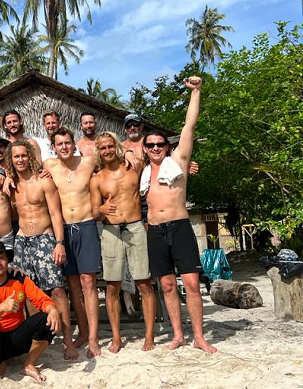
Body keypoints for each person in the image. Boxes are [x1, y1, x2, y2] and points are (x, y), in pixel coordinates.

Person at [141, 76, 217, 353]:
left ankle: (199, 336)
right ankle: (177, 335)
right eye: (150, 145)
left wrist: (196, 91)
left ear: (167, 146)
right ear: (145, 149)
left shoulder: (179, 162)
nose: (156, 148)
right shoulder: (143, 172)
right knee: (167, 284)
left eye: (160, 144)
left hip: (180, 226)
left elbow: (189, 125)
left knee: (192, 283)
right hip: (155, 230)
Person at [5, 139, 78, 360]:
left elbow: (56, 214)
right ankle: (39, 339)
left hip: (45, 239)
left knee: (56, 289)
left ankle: (67, 341)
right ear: (11, 160)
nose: (20, 160)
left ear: (30, 156)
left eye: (23, 155)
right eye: (16, 156)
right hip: (21, 242)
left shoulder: (44, 180)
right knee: (29, 293)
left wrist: (59, 243)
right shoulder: (11, 185)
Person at [90, 131, 157, 353]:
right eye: (103, 148)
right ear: (98, 151)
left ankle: (149, 336)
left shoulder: (133, 168)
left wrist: (130, 152)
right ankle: (117, 338)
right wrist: (100, 209)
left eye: (110, 146)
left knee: (144, 283)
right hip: (110, 231)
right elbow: (93, 212)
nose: (107, 151)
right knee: (112, 286)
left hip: (135, 227)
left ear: (116, 147)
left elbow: (156, 156)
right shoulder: (97, 179)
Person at [43, 127, 102, 358]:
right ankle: (84, 331)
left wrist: (127, 154)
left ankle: (94, 339)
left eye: (68, 142)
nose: (64, 147)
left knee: (89, 283)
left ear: (72, 143)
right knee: (74, 285)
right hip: (64, 230)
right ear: (54, 146)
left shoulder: (88, 162)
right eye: (60, 144)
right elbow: (21, 168)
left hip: (86, 226)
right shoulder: (49, 166)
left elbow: (113, 160)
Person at [0, 241, 61, 382]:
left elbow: (41, 300)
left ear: (7, 262)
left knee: (47, 318)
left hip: (17, 337)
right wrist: (0, 309)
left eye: (2, 258)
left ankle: (28, 364)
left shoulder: (19, 279)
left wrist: (53, 309)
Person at [0, 95, 42, 162]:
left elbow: (39, 165)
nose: (12, 125)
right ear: (5, 125)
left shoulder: (31, 143)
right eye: (9, 122)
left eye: (15, 121)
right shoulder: (4, 147)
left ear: (21, 122)